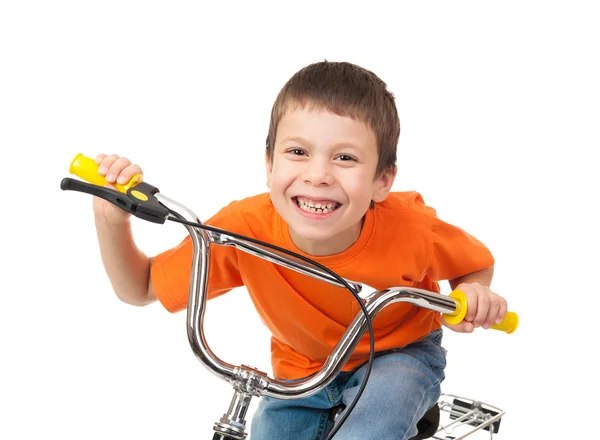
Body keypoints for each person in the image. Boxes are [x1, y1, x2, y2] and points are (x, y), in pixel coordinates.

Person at [92, 61, 508, 439]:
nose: (318, 175)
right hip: (302, 371)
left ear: (383, 180)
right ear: (269, 163)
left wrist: (472, 295)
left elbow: (475, 265)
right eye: (297, 152)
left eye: (345, 157)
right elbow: (140, 287)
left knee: (372, 422)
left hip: (399, 355)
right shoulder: (243, 230)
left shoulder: (411, 228)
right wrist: (113, 220)